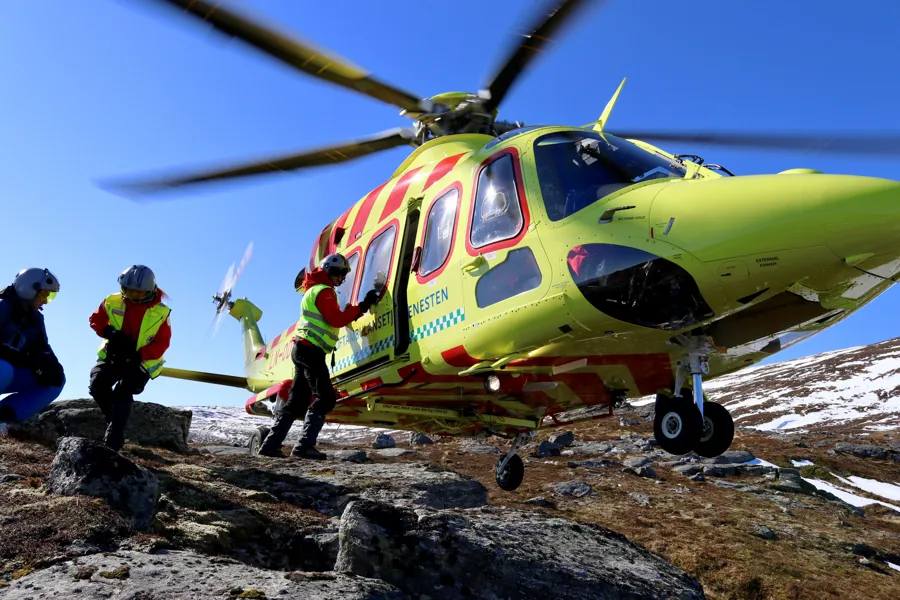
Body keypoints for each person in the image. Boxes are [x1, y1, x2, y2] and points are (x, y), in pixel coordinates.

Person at [258, 253, 379, 459]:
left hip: (302, 350)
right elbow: (336, 319)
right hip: (310, 351)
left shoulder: (312, 290)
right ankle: (304, 446)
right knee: (326, 398)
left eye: (344, 275)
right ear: (329, 271)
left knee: (297, 401)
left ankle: (270, 446)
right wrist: (363, 306)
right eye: (340, 273)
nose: (341, 278)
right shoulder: (324, 291)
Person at [88, 265, 171, 452]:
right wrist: (109, 332)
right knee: (97, 384)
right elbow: (96, 319)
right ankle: (114, 420)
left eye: (138, 293)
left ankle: (115, 434)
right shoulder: (112, 301)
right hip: (113, 354)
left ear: (150, 291)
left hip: (141, 361)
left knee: (124, 390)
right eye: (127, 290)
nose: (132, 296)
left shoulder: (161, 312)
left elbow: (162, 343)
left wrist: (138, 355)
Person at [0, 268, 66, 436]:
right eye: (44, 294)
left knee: (54, 382)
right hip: (3, 371)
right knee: (5, 368)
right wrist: (18, 357)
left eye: (49, 297)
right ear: (28, 288)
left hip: (7, 372)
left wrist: (52, 367)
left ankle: (4, 418)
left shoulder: (35, 319)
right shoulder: (2, 306)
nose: (45, 301)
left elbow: (42, 349)